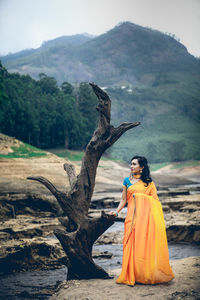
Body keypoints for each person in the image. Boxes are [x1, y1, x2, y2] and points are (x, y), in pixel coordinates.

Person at [109, 155, 174, 286]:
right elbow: (124, 200)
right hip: (130, 219)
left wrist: (139, 196)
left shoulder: (149, 183)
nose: (131, 166)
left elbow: (155, 201)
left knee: (143, 247)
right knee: (130, 245)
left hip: (145, 221)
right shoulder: (126, 181)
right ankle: (131, 275)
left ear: (142, 167)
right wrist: (116, 212)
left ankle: (143, 275)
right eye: (131, 164)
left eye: (134, 164)